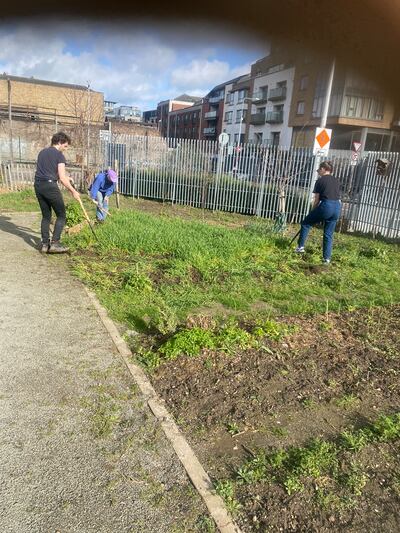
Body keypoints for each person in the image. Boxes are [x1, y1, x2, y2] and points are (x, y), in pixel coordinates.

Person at [34, 132, 80, 254]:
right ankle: (55, 243)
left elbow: (48, 171)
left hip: (38, 185)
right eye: (65, 146)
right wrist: (73, 191)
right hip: (50, 186)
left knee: (46, 216)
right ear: (59, 143)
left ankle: (44, 244)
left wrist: (66, 177)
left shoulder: (42, 152)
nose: (65, 149)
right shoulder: (59, 156)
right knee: (61, 215)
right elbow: (62, 178)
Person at [295, 161, 341, 264]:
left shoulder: (320, 181)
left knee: (306, 223)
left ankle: (300, 247)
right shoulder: (336, 180)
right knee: (328, 233)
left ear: (323, 169)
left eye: (319, 170)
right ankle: (327, 259)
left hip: (326, 206)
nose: (318, 171)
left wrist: (313, 210)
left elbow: (317, 200)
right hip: (337, 207)